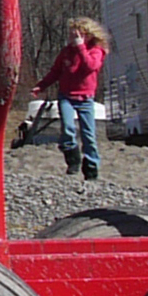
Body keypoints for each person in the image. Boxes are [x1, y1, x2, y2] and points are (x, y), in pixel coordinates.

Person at [32, 16, 108, 181]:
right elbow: (56, 71)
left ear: (87, 35)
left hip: (86, 98)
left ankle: (91, 166)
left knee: (88, 134)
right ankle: (72, 159)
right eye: (71, 35)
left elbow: (90, 66)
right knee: (67, 128)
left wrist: (81, 47)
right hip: (66, 96)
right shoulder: (66, 52)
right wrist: (42, 85)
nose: (72, 38)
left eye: (77, 35)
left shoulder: (96, 51)